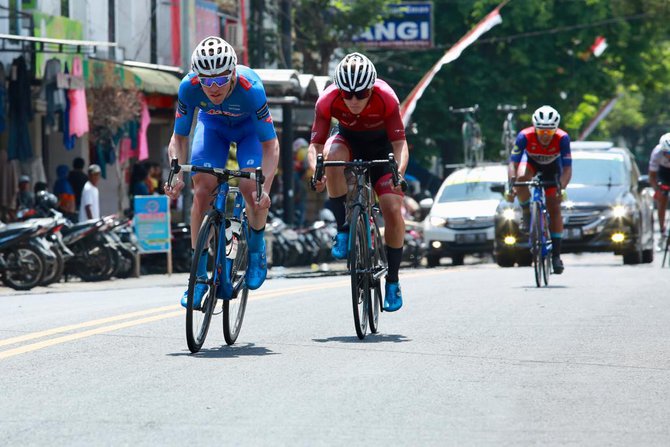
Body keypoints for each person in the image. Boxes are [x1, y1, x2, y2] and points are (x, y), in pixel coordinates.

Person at [164, 36, 279, 309]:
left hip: (249, 130)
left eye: (220, 80)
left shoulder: (251, 89)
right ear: (198, 78)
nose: (213, 88)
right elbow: (179, 138)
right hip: (212, 127)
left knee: (251, 189)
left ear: (233, 73)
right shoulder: (189, 87)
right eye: (207, 81)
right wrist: (175, 173)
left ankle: (256, 247)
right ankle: (199, 277)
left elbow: (270, 145)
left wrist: (266, 185)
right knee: (201, 190)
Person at [307, 52, 409, 312]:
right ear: (339, 90)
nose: (353, 100)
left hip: (382, 150)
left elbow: (400, 144)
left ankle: (394, 281)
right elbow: (315, 145)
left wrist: (398, 174)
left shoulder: (387, 98)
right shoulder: (327, 99)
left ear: (371, 89)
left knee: (393, 210)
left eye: (361, 94)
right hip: (348, 143)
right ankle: (343, 229)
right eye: (347, 94)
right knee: (330, 159)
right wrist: (314, 172)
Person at [508, 105, 572, 274]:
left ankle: (556, 255)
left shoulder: (563, 138)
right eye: (541, 131)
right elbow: (513, 163)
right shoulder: (524, 136)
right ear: (534, 128)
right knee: (520, 179)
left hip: (553, 169)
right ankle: (527, 211)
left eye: (549, 132)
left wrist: (562, 188)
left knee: (554, 206)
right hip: (532, 165)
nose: (545, 136)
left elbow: (567, 169)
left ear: (555, 130)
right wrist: (512, 184)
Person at [648, 132, 670, 245]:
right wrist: (657, 190)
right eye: (667, 153)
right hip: (663, 173)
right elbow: (652, 177)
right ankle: (662, 231)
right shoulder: (657, 153)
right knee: (662, 199)